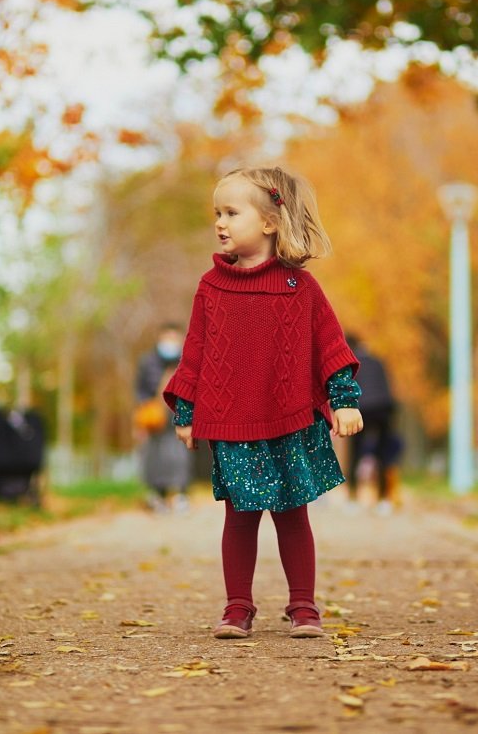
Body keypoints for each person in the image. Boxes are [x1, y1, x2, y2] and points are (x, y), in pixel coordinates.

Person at [164, 166, 363, 640]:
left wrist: (344, 400)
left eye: (232, 212)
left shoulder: (301, 288)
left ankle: (303, 606)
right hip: (233, 422)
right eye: (217, 213)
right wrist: (187, 411)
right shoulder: (211, 289)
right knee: (240, 515)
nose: (221, 222)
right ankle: (237, 607)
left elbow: (329, 347)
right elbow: (195, 353)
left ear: (270, 222)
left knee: (294, 514)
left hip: (290, 419)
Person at [135, 323, 191, 512]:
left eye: (174, 338)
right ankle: (157, 494)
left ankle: (181, 493)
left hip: (180, 412)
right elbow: (140, 390)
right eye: (167, 338)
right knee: (155, 454)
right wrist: (142, 411)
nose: (170, 342)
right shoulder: (148, 361)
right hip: (155, 414)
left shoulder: (188, 360)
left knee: (181, 453)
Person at [344, 334, 401, 514]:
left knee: (355, 453)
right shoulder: (378, 361)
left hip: (362, 409)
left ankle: (353, 499)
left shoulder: (351, 361)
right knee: (382, 454)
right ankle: (384, 500)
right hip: (383, 409)